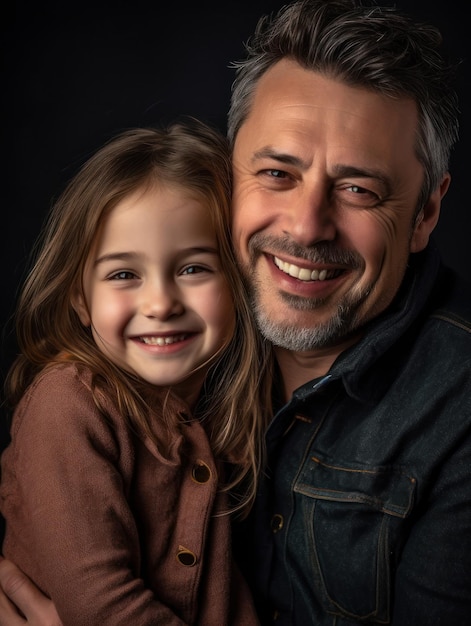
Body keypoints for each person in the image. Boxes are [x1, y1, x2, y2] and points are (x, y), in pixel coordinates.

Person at [1, 0, 471, 624]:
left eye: (359, 189)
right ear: (230, 176)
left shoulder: (456, 410)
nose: (306, 227)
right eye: (277, 172)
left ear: (427, 213)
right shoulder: (191, 349)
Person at [0, 118, 271, 625]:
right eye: (124, 274)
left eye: (193, 268)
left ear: (238, 283)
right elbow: (99, 604)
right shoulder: (69, 406)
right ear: (81, 298)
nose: (160, 303)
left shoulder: (224, 410)